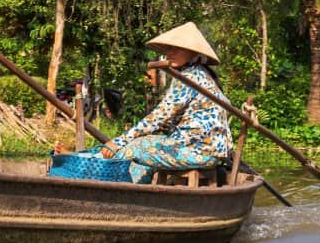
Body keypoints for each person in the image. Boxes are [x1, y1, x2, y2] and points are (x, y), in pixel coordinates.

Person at [98, 23, 231, 184]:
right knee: (143, 152)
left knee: (137, 147)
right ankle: (135, 191)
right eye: (168, 49)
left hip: (200, 151)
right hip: (203, 149)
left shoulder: (190, 77)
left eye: (177, 49)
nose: (170, 53)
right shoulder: (201, 74)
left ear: (193, 53)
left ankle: (101, 179)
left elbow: (158, 117)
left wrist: (117, 142)